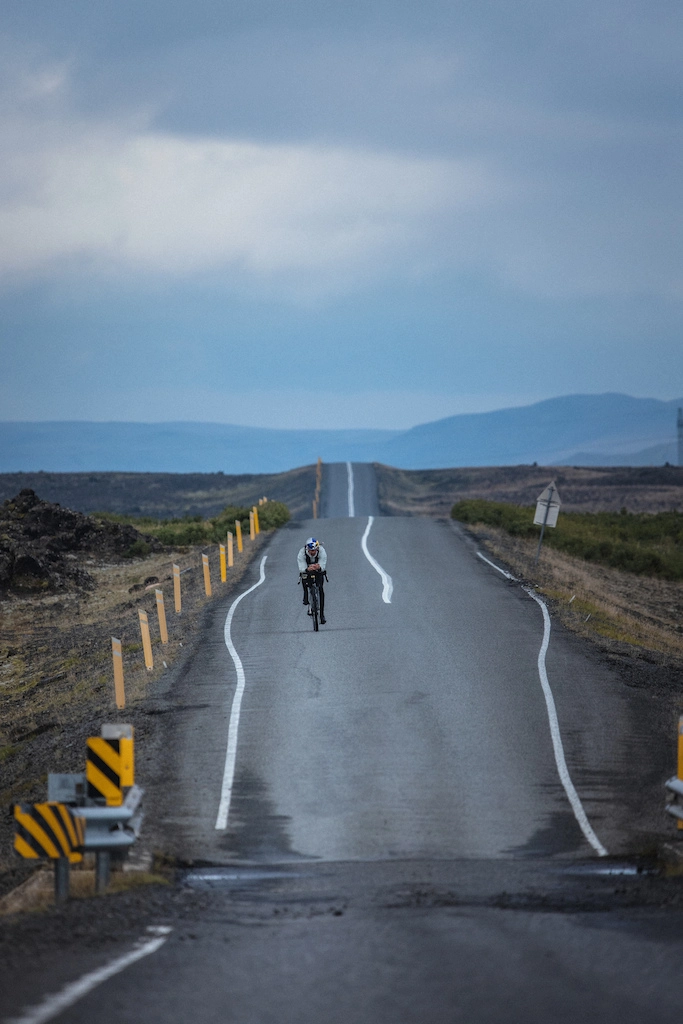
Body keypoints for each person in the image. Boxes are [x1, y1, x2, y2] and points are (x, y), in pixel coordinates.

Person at [297, 536, 327, 624]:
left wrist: (319, 567)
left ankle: (321, 614)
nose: (312, 552)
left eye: (314, 550)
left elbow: (323, 562)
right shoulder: (302, 553)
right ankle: (306, 596)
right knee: (304, 578)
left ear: (317, 548)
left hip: (318, 570)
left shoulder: (322, 551)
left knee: (321, 589)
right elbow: (301, 565)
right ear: (307, 549)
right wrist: (306, 569)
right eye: (311, 550)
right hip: (307, 570)